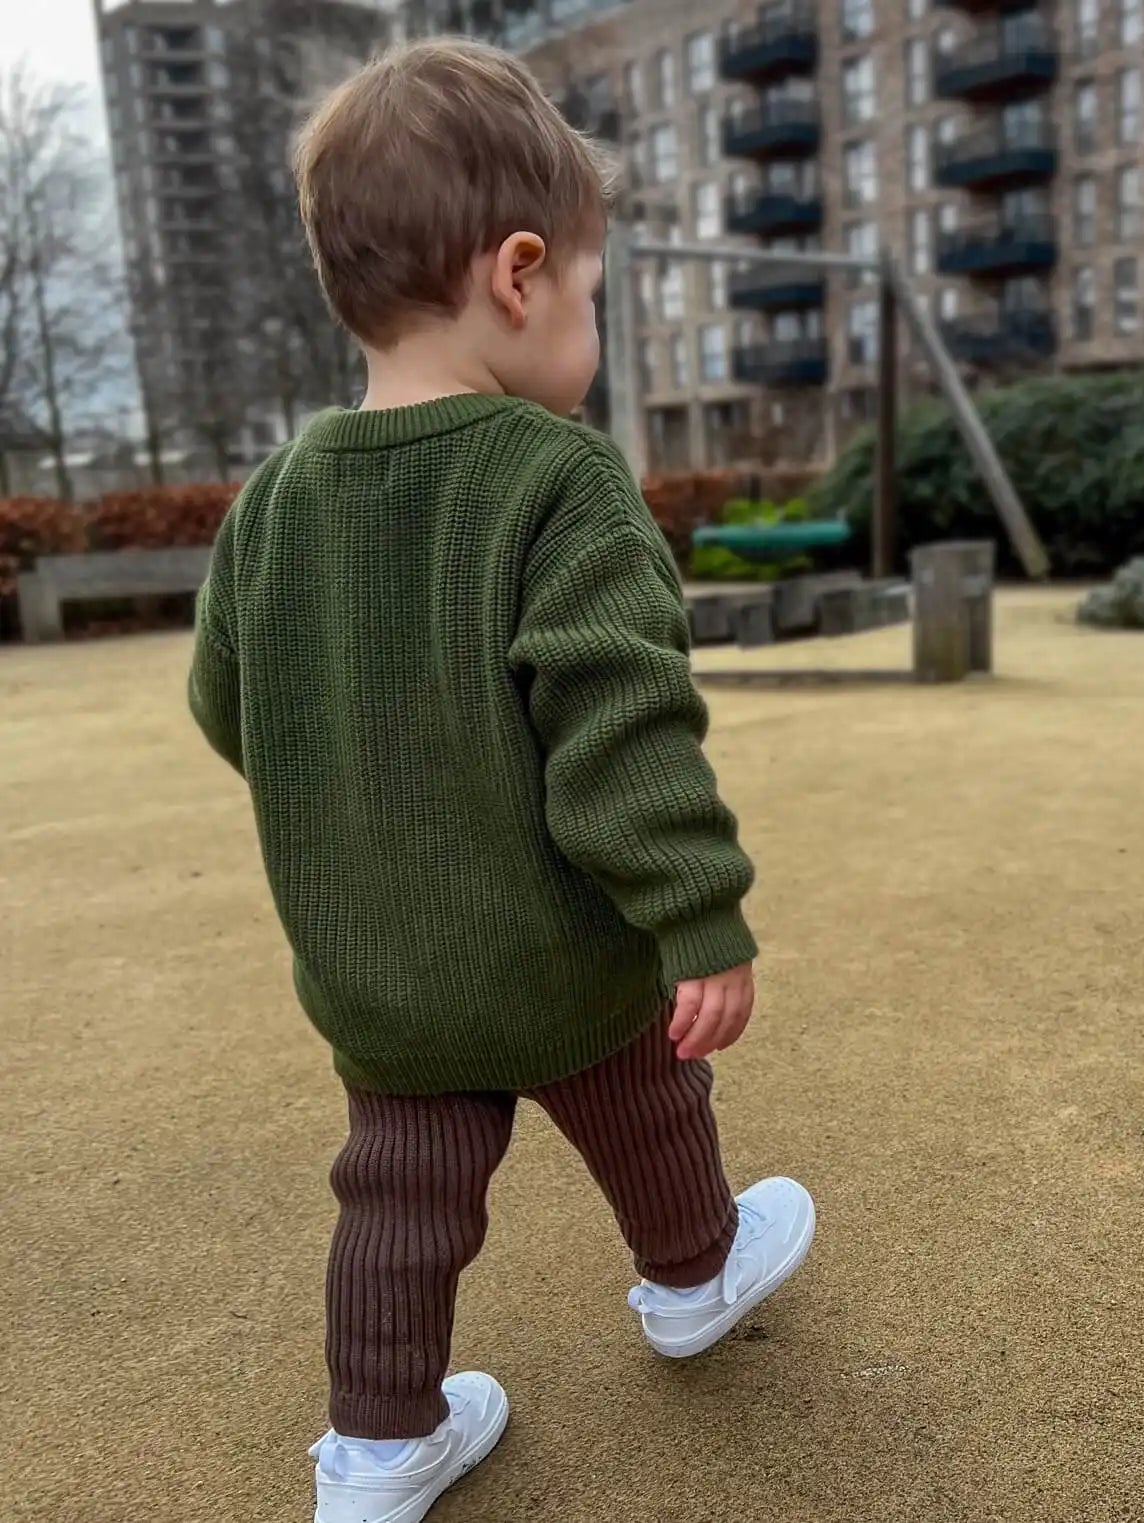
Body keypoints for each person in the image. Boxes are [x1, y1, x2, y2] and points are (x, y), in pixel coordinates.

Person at [187, 38, 814, 1523]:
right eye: (592, 293)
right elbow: (622, 723)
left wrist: (347, 780)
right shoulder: (556, 473)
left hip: (378, 972)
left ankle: (382, 1450)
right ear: (520, 276)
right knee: (644, 1087)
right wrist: (695, 913)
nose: (588, 324)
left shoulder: (271, 503)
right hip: (552, 948)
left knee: (398, 1195)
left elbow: (230, 704)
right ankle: (693, 1273)